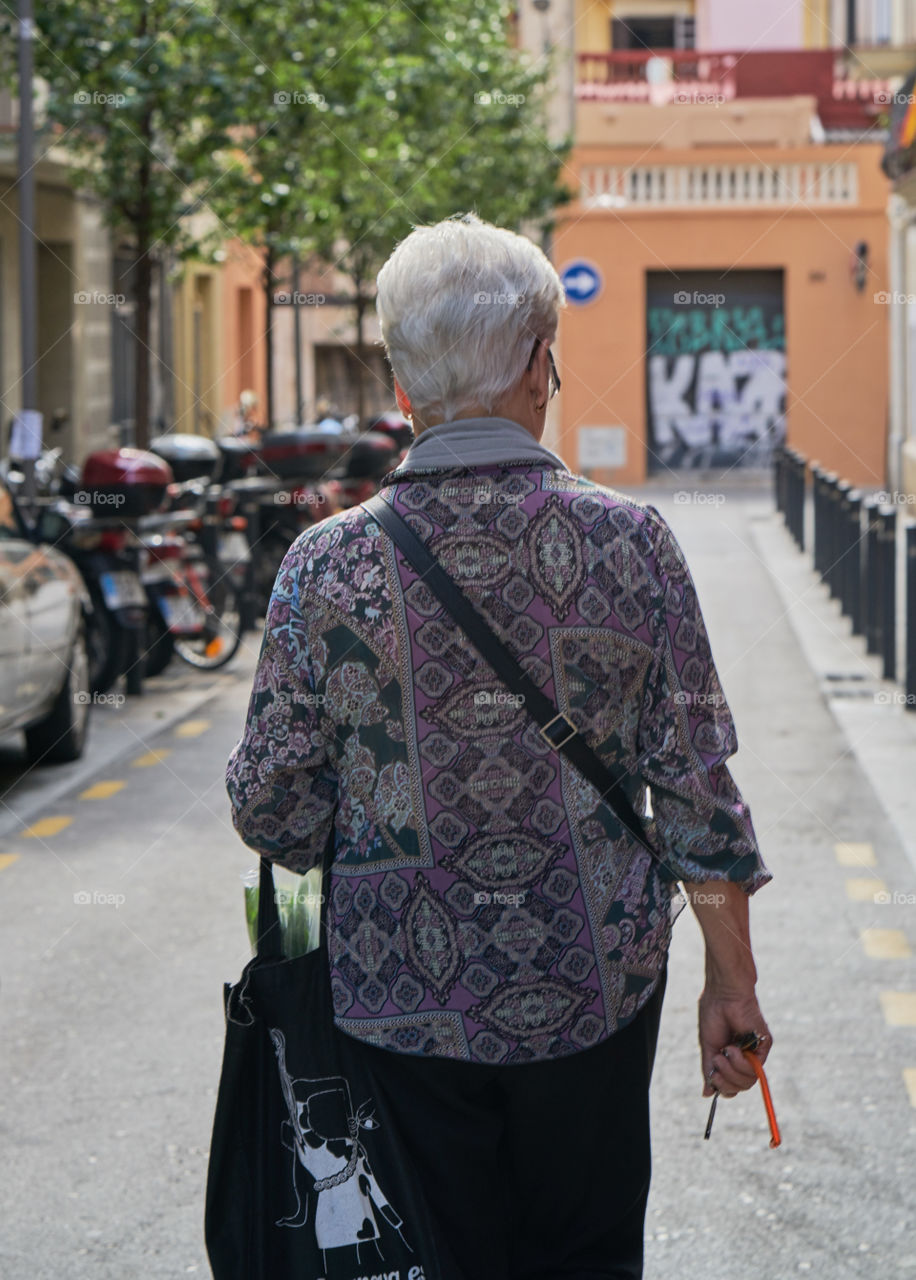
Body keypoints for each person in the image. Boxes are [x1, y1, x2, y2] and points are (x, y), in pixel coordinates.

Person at [227, 213, 772, 1280]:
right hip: (596, 986)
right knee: (587, 1253)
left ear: (401, 385)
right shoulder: (632, 545)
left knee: (431, 1255)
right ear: (538, 365)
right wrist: (732, 983)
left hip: (395, 999)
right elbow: (697, 799)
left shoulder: (322, 567)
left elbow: (272, 810)